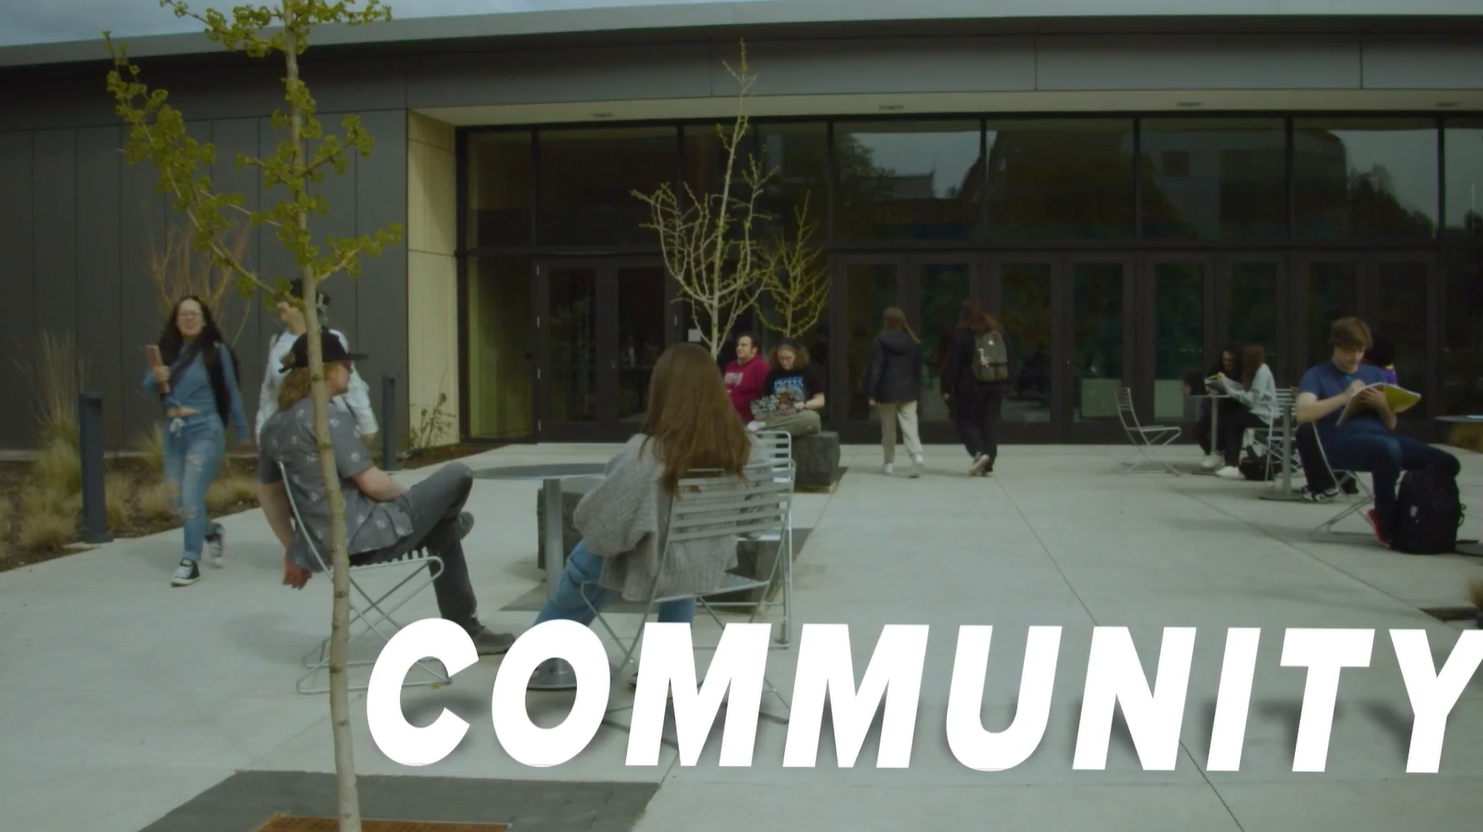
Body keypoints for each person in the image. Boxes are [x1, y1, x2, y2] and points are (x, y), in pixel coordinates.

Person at [254, 331, 514, 654]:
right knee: (458, 475)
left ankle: (450, 543)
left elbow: (267, 492)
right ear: (328, 369)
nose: (350, 369)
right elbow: (373, 484)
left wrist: (294, 548)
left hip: (324, 546)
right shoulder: (328, 417)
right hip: (366, 537)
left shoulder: (273, 426)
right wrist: (413, 503)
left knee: (443, 528)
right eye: (346, 363)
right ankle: (466, 628)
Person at [528, 343, 769, 689]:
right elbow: (758, 522)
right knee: (679, 554)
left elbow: (599, 528)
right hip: (706, 565)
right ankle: (665, 666)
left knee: (587, 560)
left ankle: (539, 656)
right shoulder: (748, 449)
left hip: (656, 567)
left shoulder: (645, 453)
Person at [1295, 317, 1460, 547]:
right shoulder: (1316, 374)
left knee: (1447, 462)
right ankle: (1386, 521)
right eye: (1350, 351)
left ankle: (1419, 517)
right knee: (1388, 449)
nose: (1355, 358)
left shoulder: (1375, 374)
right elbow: (1302, 413)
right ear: (1336, 345)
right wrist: (1344, 397)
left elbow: (1391, 425)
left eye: (1361, 351)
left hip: (1382, 440)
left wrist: (1383, 405)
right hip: (1340, 444)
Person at [142, 296, 250, 587]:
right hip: (174, 432)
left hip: (205, 429)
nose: (189, 318)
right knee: (176, 499)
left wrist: (242, 431)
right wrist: (156, 376)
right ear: (175, 320)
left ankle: (190, 559)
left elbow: (231, 390)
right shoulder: (167, 350)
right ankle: (211, 531)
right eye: (183, 314)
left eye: (195, 314)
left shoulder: (215, 351)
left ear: (204, 319)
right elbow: (146, 385)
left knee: (191, 497)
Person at [255, 279, 377, 445]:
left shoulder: (330, 339)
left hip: (326, 424)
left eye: (285, 301)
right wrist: (261, 427)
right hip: (289, 427)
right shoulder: (276, 341)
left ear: (301, 305)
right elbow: (269, 391)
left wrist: (366, 424)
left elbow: (352, 384)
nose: (279, 306)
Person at [941, 299, 1010, 477]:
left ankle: (979, 453)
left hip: (969, 387)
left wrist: (947, 387)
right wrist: (1008, 383)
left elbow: (953, 364)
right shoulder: (998, 332)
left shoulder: (963, 335)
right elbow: (1010, 358)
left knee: (964, 421)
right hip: (995, 385)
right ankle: (989, 459)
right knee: (990, 423)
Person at [863, 307, 925, 477]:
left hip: (886, 391)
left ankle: (889, 462)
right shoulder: (912, 341)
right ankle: (916, 455)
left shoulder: (881, 341)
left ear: (886, 321)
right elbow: (917, 368)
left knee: (888, 429)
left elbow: (875, 368)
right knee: (910, 424)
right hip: (909, 390)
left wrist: (871, 393)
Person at [1206, 342, 1277, 480]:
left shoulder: (1262, 371)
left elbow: (1252, 399)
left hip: (1265, 415)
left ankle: (1231, 463)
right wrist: (1225, 382)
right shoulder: (1255, 370)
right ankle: (1224, 458)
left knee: (1232, 420)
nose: (1243, 359)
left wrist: (1229, 391)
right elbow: (1242, 389)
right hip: (1257, 412)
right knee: (1228, 417)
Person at [749, 338, 826, 436]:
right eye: (781, 358)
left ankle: (767, 427)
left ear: (797, 355)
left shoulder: (808, 371)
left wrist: (804, 404)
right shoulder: (773, 374)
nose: (784, 362)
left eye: (788, 358)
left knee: (813, 419)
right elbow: (765, 401)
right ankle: (772, 427)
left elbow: (820, 400)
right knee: (758, 410)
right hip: (778, 413)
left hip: (799, 414)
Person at [1192, 345, 1244, 470]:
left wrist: (1225, 381)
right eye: (1224, 359)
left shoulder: (1240, 371)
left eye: (1229, 360)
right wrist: (1207, 387)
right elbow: (1208, 381)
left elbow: (1240, 389)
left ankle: (1223, 455)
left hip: (1232, 406)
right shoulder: (1217, 368)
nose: (1226, 363)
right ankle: (1212, 452)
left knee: (1226, 426)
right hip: (1215, 406)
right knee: (1198, 430)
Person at [722, 331, 769, 423]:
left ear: (754, 349)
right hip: (724, 411)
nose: (739, 348)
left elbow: (764, 395)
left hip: (745, 417)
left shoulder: (760, 367)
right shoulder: (730, 366)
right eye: (738, 345)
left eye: (743, 345)